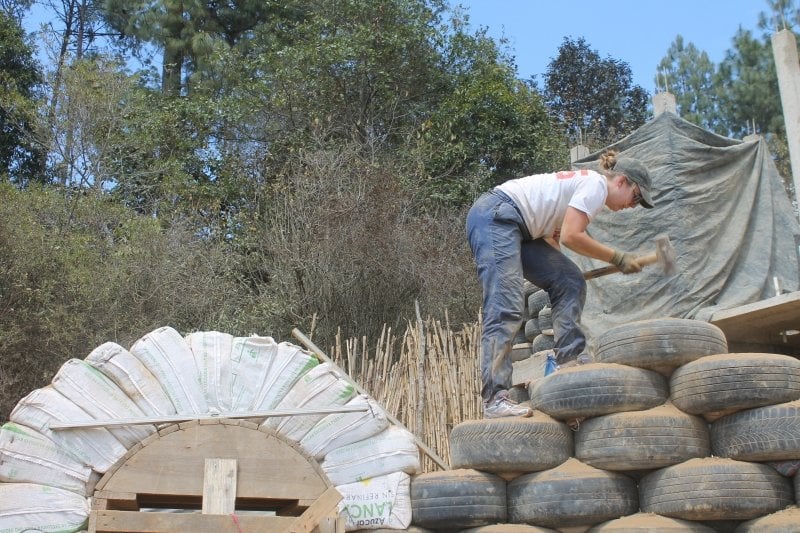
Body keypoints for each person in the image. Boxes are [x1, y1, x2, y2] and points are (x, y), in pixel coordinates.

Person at [466, 150, 654, 419]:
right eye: (636, 197)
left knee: (569, 279)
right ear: (622, 181)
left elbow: (555, 242)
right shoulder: (596, 186)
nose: (633, 205)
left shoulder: (585, 193)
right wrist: (618, 257)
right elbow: (571, 236)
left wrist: (558, 278)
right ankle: (495, 398)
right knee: (505, 306)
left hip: (522, 229)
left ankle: (568, 360)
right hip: (496, 217)